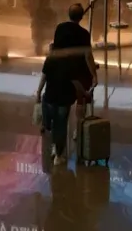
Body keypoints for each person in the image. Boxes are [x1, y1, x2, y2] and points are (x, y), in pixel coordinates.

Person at [37, 33, 88, 165]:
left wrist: (38, 93)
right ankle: (58, 155)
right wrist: (85, 93)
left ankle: (54, 147)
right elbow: (76, 82)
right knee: (61, 126)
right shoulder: (69, 63)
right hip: (63, 101)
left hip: (49, 98)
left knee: (51, 125)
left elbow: (43, 79)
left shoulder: (49, 61)